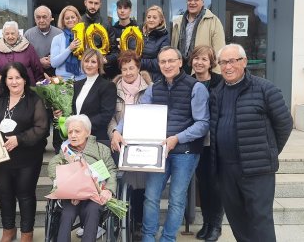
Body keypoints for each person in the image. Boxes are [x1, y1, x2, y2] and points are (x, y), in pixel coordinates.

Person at [119, 46, 208, 241]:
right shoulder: (154, 88)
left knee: (176, 199)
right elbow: (138, 112)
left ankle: (168, 238)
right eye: (162, 62)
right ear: (158, 65)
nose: (167, 65)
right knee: (151, 197)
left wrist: (178, 138)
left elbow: (202, 124)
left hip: (185, 152)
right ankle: (149, 237)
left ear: (180, 62)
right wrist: (118, 131)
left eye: (170, 61)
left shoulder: (196, 87)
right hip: (158, 151)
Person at [209, 43, 293, 242]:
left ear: (244, 62)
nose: (227, 67)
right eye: (223, 63)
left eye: (232, 61)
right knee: (237, 219)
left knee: (260, 220)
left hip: (257, 170)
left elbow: (284, 124)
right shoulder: (217, 93)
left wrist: (268, 151)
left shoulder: (265, 89)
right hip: (226, 169)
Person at [0, 62, 49, 242]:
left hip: (27, 157)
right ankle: (8, 230)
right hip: (1, 157)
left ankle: (26, 233)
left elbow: (42, 128)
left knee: (25, 195)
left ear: (24, 79)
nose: (14, 82)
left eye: (18, 77)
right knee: (4, 194)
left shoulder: (34, 100)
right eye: (10, 78)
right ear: (4, 80)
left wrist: (19, 139)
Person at [48, 114, 117, 242]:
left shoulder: (101, 149)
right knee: (67, 214)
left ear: (88, 132)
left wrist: (109, 190)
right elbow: (53, 165)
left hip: (95, 195)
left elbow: (112, 170)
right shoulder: (65, 151)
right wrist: (65, 187)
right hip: (72, 197)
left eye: (77, 131)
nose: (73, 135)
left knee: (93, 210)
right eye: (70, 132)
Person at [108, 50, 152, 240]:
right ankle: (121, 221)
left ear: (138, 67)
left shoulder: (150, 88)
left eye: (131, 68)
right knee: (122, 185)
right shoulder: (112, 88)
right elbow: (109, 116)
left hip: (141, 145)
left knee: (141, 186)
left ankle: (138, 223)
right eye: (124, 69)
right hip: (119, 143)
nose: (128, 72)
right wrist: (114, 134)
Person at [188, 45, 224, 241]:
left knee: (215, 184)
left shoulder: (219, 82)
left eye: (204, 59)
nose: (199, 62)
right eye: (196, 58)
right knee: (203, 183)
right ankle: (206, 223)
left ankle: (216, 225)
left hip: (217, 140)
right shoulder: (189, 81)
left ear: (211, 63)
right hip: (197, 140)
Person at [171, 0, 225, 74]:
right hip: (181, 69)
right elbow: (173, 47)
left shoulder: (213, 21)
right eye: (190, 0)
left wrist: (216, 74)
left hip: (203, 71)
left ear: (203, 3)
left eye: (196, 0)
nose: (192, 3)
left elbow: (219, 51)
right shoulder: (178, 22)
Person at [72, 48, 116, 142]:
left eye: (93, 62)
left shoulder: (108, 86)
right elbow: (75, 111)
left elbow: (106, 115)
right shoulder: (77, 84)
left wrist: (83, 126)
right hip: (77, 138)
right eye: (86, 61)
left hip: (96, 138)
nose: (89, 65)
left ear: (99, 65)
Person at [0, 21, 44, 86]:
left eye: (13, 33)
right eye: (7, 34)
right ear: (3, 34)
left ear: (18, 34)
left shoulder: (28, 47)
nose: (10, 36)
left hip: (26, 88)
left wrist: (40, 84)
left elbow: (37, 68)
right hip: (4, 88)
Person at [24, 5, 62, 77]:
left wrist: (53, 60)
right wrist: (38, 61)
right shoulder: (28, 35)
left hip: (56, 75)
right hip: (35, 75)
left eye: (44, 17)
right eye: (38, 17)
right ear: (35, 19)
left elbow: (64, 54)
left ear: (51, 18)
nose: (41, 20)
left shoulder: (59, 34)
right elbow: (24, 57)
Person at [105, 0, 138, 79]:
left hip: (132, 73)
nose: (122, 11)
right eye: (120, 8)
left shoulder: (137, 29)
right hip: (115, 72)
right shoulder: (111, 29)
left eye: (125, 8)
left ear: (130, 10)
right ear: (116, 10)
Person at [50, 5, 86, 81]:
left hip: (82, 79)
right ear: (63, 21)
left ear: (77, 18)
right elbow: (53, 63)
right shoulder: (57, 39)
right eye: (67, 18)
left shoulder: (85, 36)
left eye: (73, 17)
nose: (70, 20)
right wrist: (69, 49)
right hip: (63, 82)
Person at [140, 5, 170, 83]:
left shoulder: (164, 37)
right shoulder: (138, 33)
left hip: (155, 79)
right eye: (149, 17)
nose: (151, 20)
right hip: (137, 77)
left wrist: (139, 62)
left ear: (160, 20)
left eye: (154, 17)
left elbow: (161, 61)